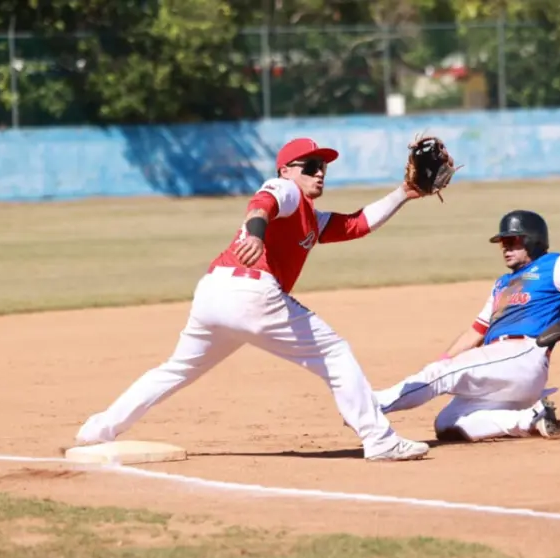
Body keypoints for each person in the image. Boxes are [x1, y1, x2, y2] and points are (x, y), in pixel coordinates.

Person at [74, 137, 435, 461]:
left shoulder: (310, 216)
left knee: (176, 370)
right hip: (251, 293)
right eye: (310, 166)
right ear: (287, 170)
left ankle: (96, 431)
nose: (319, 173)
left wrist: (403, 192)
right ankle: (378, 438)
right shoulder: (287, 190)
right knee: (334, 352)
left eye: (322, 166)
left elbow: (356, 224)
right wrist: (256, 234)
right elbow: (262, 202)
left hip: (214, 293)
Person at [373, 209, 560, 442]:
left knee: (441, 375)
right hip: (502, 367)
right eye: (503, 243)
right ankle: (531, 419)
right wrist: (444, 360)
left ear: (532, 240)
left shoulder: (555, 264)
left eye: (512, 241)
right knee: (448, 423)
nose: (505, 248)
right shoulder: (503, 284)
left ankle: (370, 405)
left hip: (523, 353)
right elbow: (476, 332)